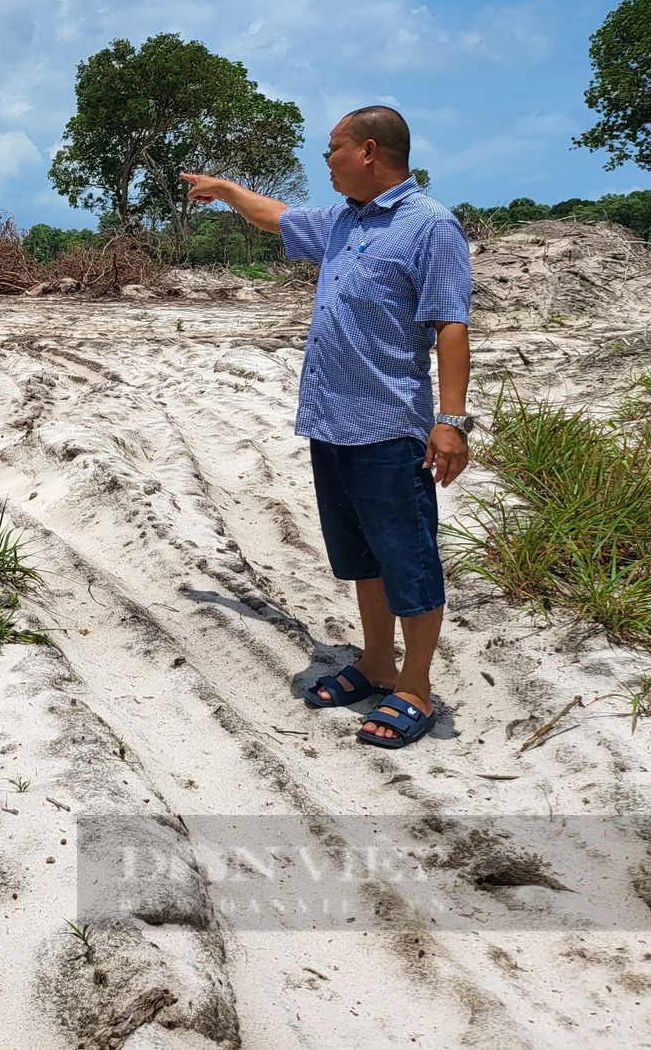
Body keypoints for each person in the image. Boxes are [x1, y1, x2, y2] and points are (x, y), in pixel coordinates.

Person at [179, 105, 472, 749]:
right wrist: (226, 191)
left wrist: (450, 421)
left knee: (410, 560)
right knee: (360, 555)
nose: (327, 161)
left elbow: (451, 324)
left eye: (332, 149)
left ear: (368, 151)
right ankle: (375, 662)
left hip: (390, 426)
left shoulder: (430, 226)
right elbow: (279, 217)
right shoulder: (343, 221)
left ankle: (415, 686)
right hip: (331, 423)